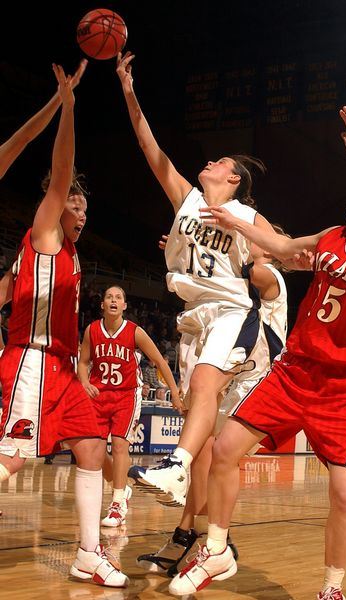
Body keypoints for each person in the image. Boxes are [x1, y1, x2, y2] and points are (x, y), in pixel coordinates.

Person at [167, 106, 346, 599]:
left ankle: (332, 588)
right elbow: (285, 246)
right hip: (293, 371)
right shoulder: (334, 237)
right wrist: (237, 224)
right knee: (225, 451)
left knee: (343, 491)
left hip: (341, 386)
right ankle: (217, 550)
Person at [116, 50, 280, 505]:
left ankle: (175, 464)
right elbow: (151, 149)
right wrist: (129, 92)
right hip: (193, 315)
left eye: (221, 162)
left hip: (233, 311)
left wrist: (253, 250)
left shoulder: (248, 215)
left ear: (234, 180)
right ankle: (195, 520)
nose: (211, 162)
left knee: (206, 387)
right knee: (198, 412)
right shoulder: (186, 199)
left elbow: (285, 256)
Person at [0, 64, 128, 588]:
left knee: (93, 446)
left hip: (61, 369)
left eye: (83, 203)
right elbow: (61, 169)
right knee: (10, 460)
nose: (80, 208)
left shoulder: (72, 254)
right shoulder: (45, 233)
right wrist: (69, 105)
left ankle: (88, 553)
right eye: (73, 201)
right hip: (30, 360)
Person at [136, 232, 290, 575]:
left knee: (214, 459)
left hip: (254, 383)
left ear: (274, 251)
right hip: (232, 371)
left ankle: (210, 540)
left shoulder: (269, 275)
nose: (250, 239)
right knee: (202, 457)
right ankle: (194, 535)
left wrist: (199, 253)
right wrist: (191, 251)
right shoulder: (238, 281)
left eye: (259, 238)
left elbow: (239, 272)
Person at [77, 285, 180, 528]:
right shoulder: (92, 330)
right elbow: (83, 362)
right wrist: (83, 382)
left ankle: (117, 503)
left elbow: (159, 362)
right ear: (102, 304)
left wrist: (175, 392)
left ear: (124, 306)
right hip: (98, 394)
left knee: (121, 446)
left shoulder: (135, 332)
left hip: (126, 395)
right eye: (109, 296)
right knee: (95, 451)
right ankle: (122, 488)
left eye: (119, 297)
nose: (113, 300)